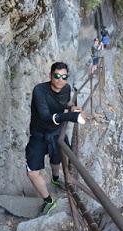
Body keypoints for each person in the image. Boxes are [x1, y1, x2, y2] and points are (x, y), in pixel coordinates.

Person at [26, 62, 86, 215]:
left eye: (64, 76)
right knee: (32, 172)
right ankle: (48, 200)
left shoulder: (66, 88)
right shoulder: (39, 90)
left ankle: (55, 178)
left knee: (57, 159)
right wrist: (72, 116)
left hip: (56, 133)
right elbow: (46, 116)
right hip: (39, 134)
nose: (60, 79)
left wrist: (70, 108)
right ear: (50, 76)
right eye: (57, 76)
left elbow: (62, 104)